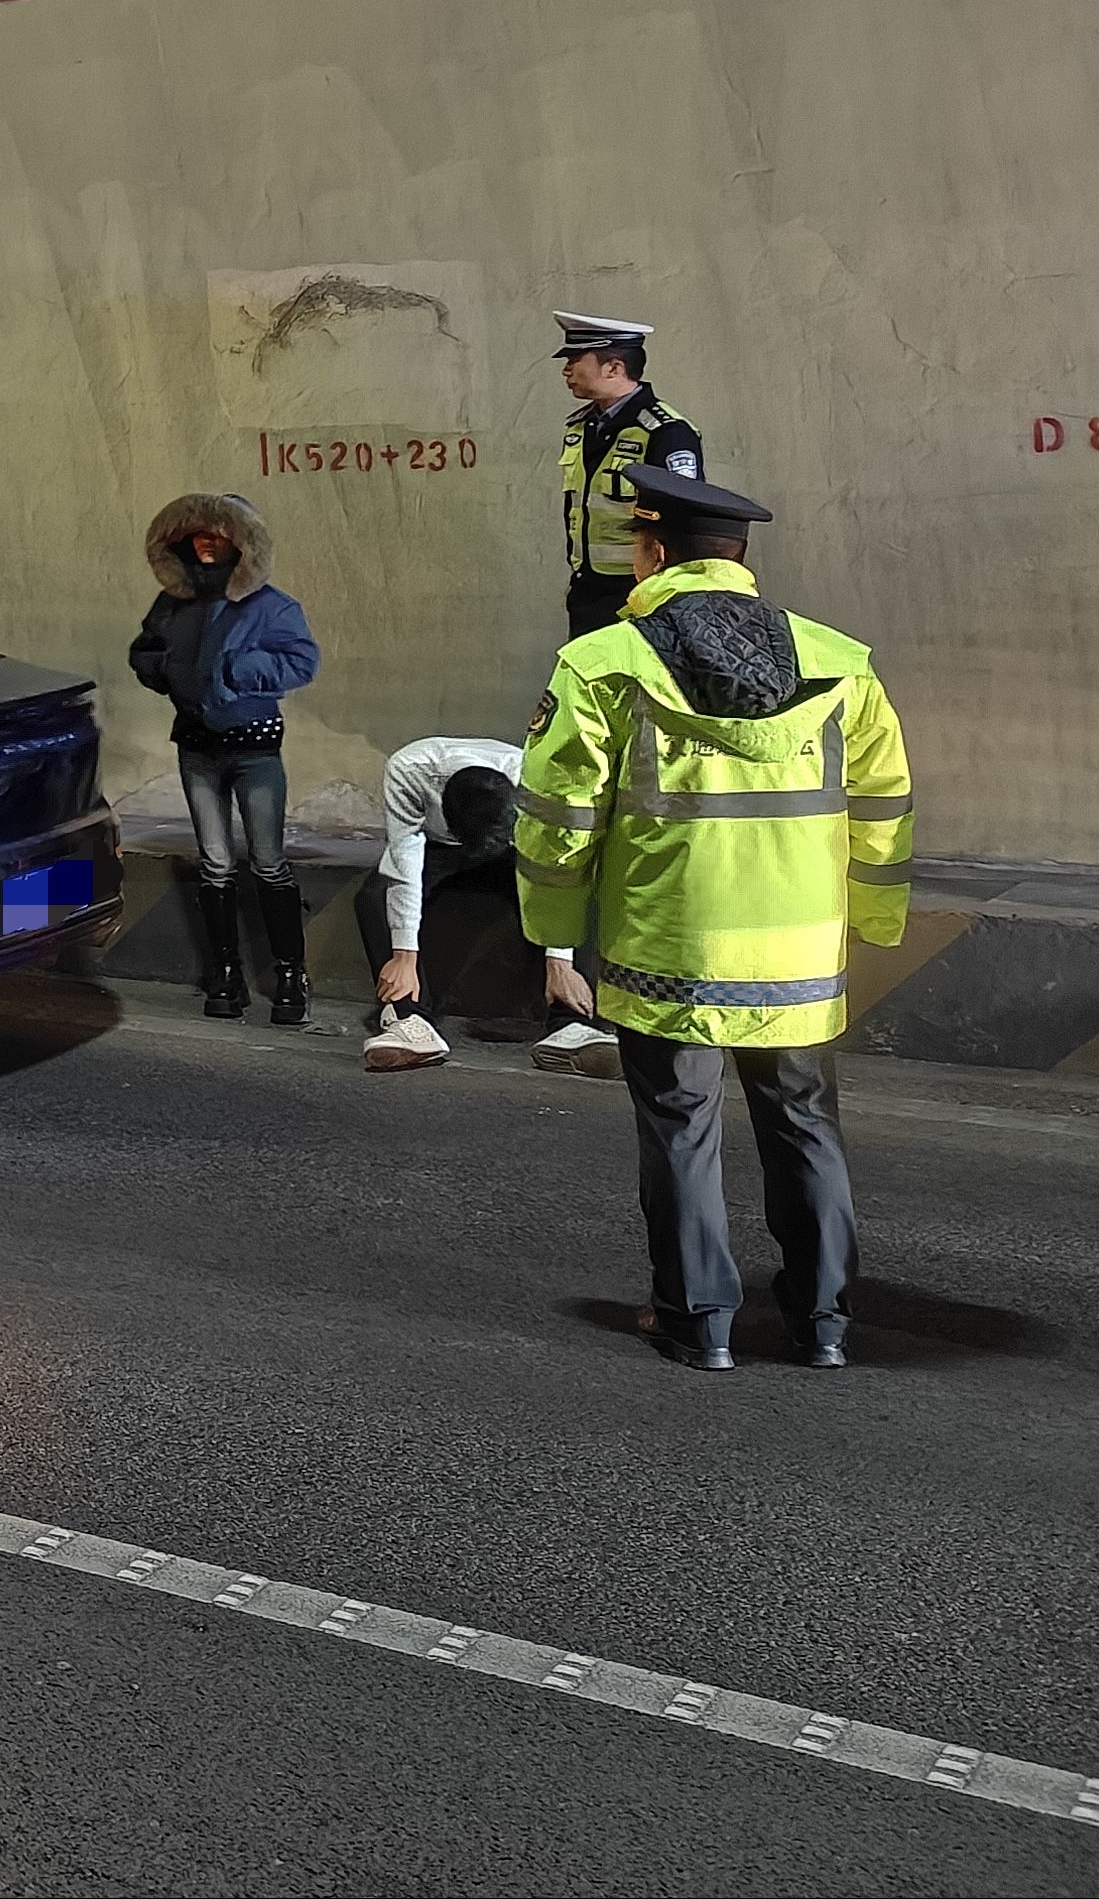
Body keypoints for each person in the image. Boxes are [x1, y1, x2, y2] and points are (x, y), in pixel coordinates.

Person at [516, 465, 911, 1371]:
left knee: (681, 1124)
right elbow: (884, 805)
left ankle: (698, 1322)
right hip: (801, 947)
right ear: (738, 558)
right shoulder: (841, 661)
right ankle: (824, 1324)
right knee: (805, 1121)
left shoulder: (605, 664)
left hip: (673, 946)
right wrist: (875, 919)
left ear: (653, 554)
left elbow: (558, 816)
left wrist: (556, 929)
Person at [127, 491, 322, 1026]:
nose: (207, 544)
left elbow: (302, 661)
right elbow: (144, 651)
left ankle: (291, 975)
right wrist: (168, 671)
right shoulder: (173, 601)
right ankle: (225, 974)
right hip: (196, 748)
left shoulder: (273, 606)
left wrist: (238, 668)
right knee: (214, 864)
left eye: (219, 535)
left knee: (268, 861)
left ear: (242, 542)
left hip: (255, 749)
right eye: (198, 535)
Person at [357, 738, 626, 1073]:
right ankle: (408, 1019)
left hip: (515, 848)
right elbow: (403, 861)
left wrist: (560, 963)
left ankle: (571, 1024)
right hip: (438, 848)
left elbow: (556, 868)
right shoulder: (408, 770)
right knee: (374, 895)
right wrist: (403, 956)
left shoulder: (538, 780)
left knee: (583, 891)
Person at [553, 310, 705, 638]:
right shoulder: (580, 427)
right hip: (588, 590)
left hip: (643, 595)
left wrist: (666, 595)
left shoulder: (666, 431)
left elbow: (684, 519)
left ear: (614, 367)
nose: (566, 369)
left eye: (575, 359)